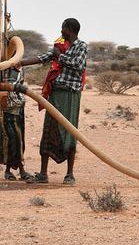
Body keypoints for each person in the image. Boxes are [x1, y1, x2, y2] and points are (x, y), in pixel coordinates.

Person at [16, 18, 87, 185]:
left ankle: (69, 174)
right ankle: (43, 173)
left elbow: (78, 65)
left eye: (63, 28)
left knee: (69, 131)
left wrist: (60, 57)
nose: (61, 31)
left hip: (70, 95)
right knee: (49, 129)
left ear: (69, 29)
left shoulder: (81, 46)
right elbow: (44, 58)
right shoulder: (60, 46)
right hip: (55, 94)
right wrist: (20, 63)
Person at [0, 64, 33, 181]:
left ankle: (10, 170)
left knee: (18, 139)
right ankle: (19, 170)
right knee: (12, 139)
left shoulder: (19, 69)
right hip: (8, 107)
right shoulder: (5, 68)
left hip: (18, 106)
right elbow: (5, 86)